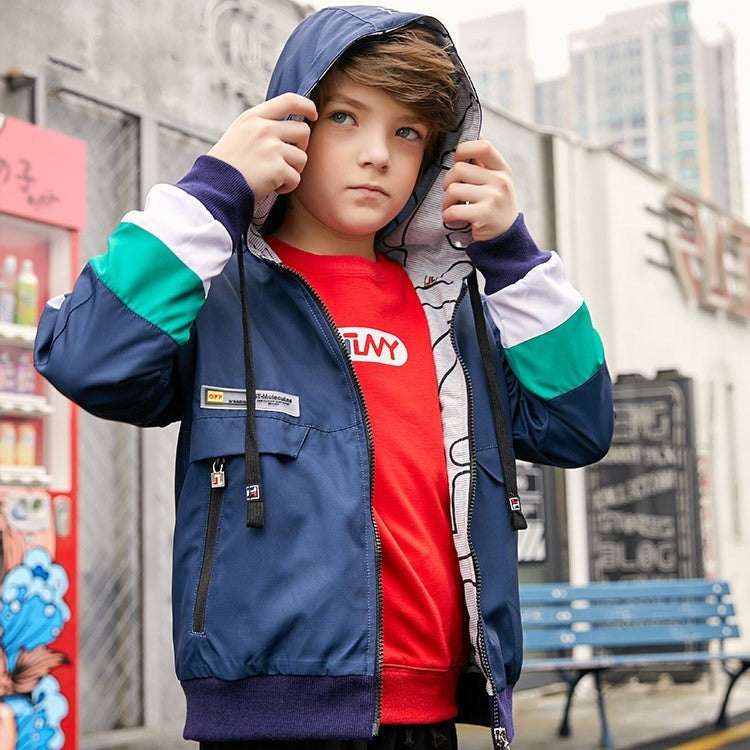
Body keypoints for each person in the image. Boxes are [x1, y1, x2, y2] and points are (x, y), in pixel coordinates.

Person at [34, 5, 614, 750]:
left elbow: (577, 425)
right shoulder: (217, 293)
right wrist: (213, 190)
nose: (377, 155)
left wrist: (514, 257)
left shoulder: (452, 312)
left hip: (430, 717)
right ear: (289, 124)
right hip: (266, 720)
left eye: (408, 132)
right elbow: (85, 358)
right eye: (345, 118)